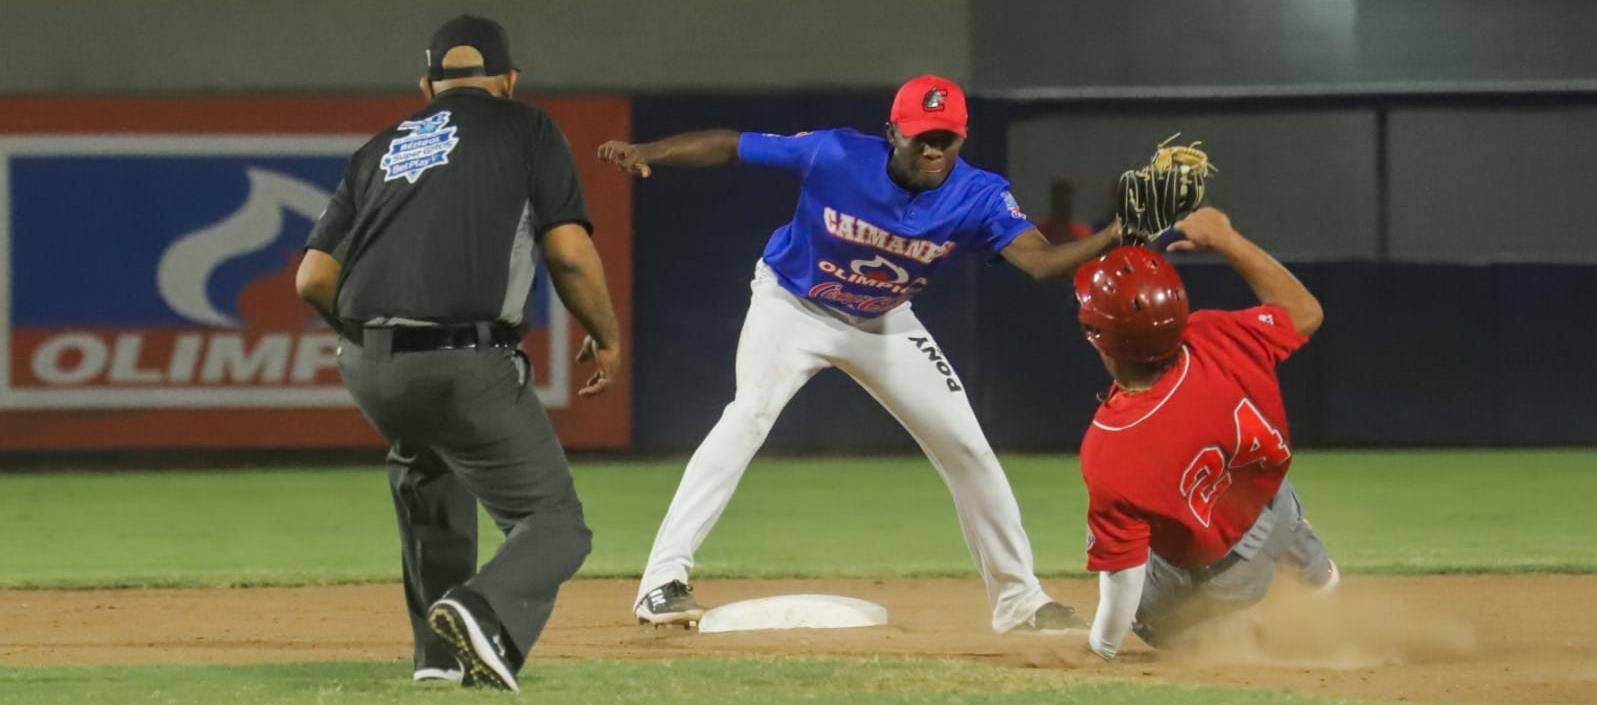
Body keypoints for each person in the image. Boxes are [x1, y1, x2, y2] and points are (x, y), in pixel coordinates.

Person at [597, 75, 1119, 633]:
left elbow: (1041, 263)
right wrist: (647, 151)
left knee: (967, 447)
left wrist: (1121, 230)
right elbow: (732, 144)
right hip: (792, 305)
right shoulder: (836, 153)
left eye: (946, 137)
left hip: (885, 322)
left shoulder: (979, 195)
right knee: (748, 414)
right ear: (891, 132)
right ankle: (661, 581)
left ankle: (1019, 600)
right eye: (921, 136)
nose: (933, 149)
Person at [294, 15, 622, 691]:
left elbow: (312, 280)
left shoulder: (380, 148)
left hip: (369, 364)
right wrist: (608, 334)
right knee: (554, 522)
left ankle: (437, 658)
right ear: (508, 79)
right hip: (462, 360)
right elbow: (568, 251)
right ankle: (479, 609)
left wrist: (375, 342)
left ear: (427, 85)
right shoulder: (527, 127)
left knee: (430, 477)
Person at [1069, 207, 1338, 660]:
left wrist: (1100, 649)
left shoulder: (1110, 443)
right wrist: (1227, 239)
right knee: (1275, 511)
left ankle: (1233, 624)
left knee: (1143, 609)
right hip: (1276, 507)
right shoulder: (1215, 336)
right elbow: (1305, 312)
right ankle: (1315, 578)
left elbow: (1124, 576)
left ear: (1099, 337)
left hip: (1220, 577)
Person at [1037, 176, 1095, 244]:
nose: (1063, 199)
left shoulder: (1084, 234)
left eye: (1066, 194)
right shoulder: (1040, 232)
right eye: (1059, 195)